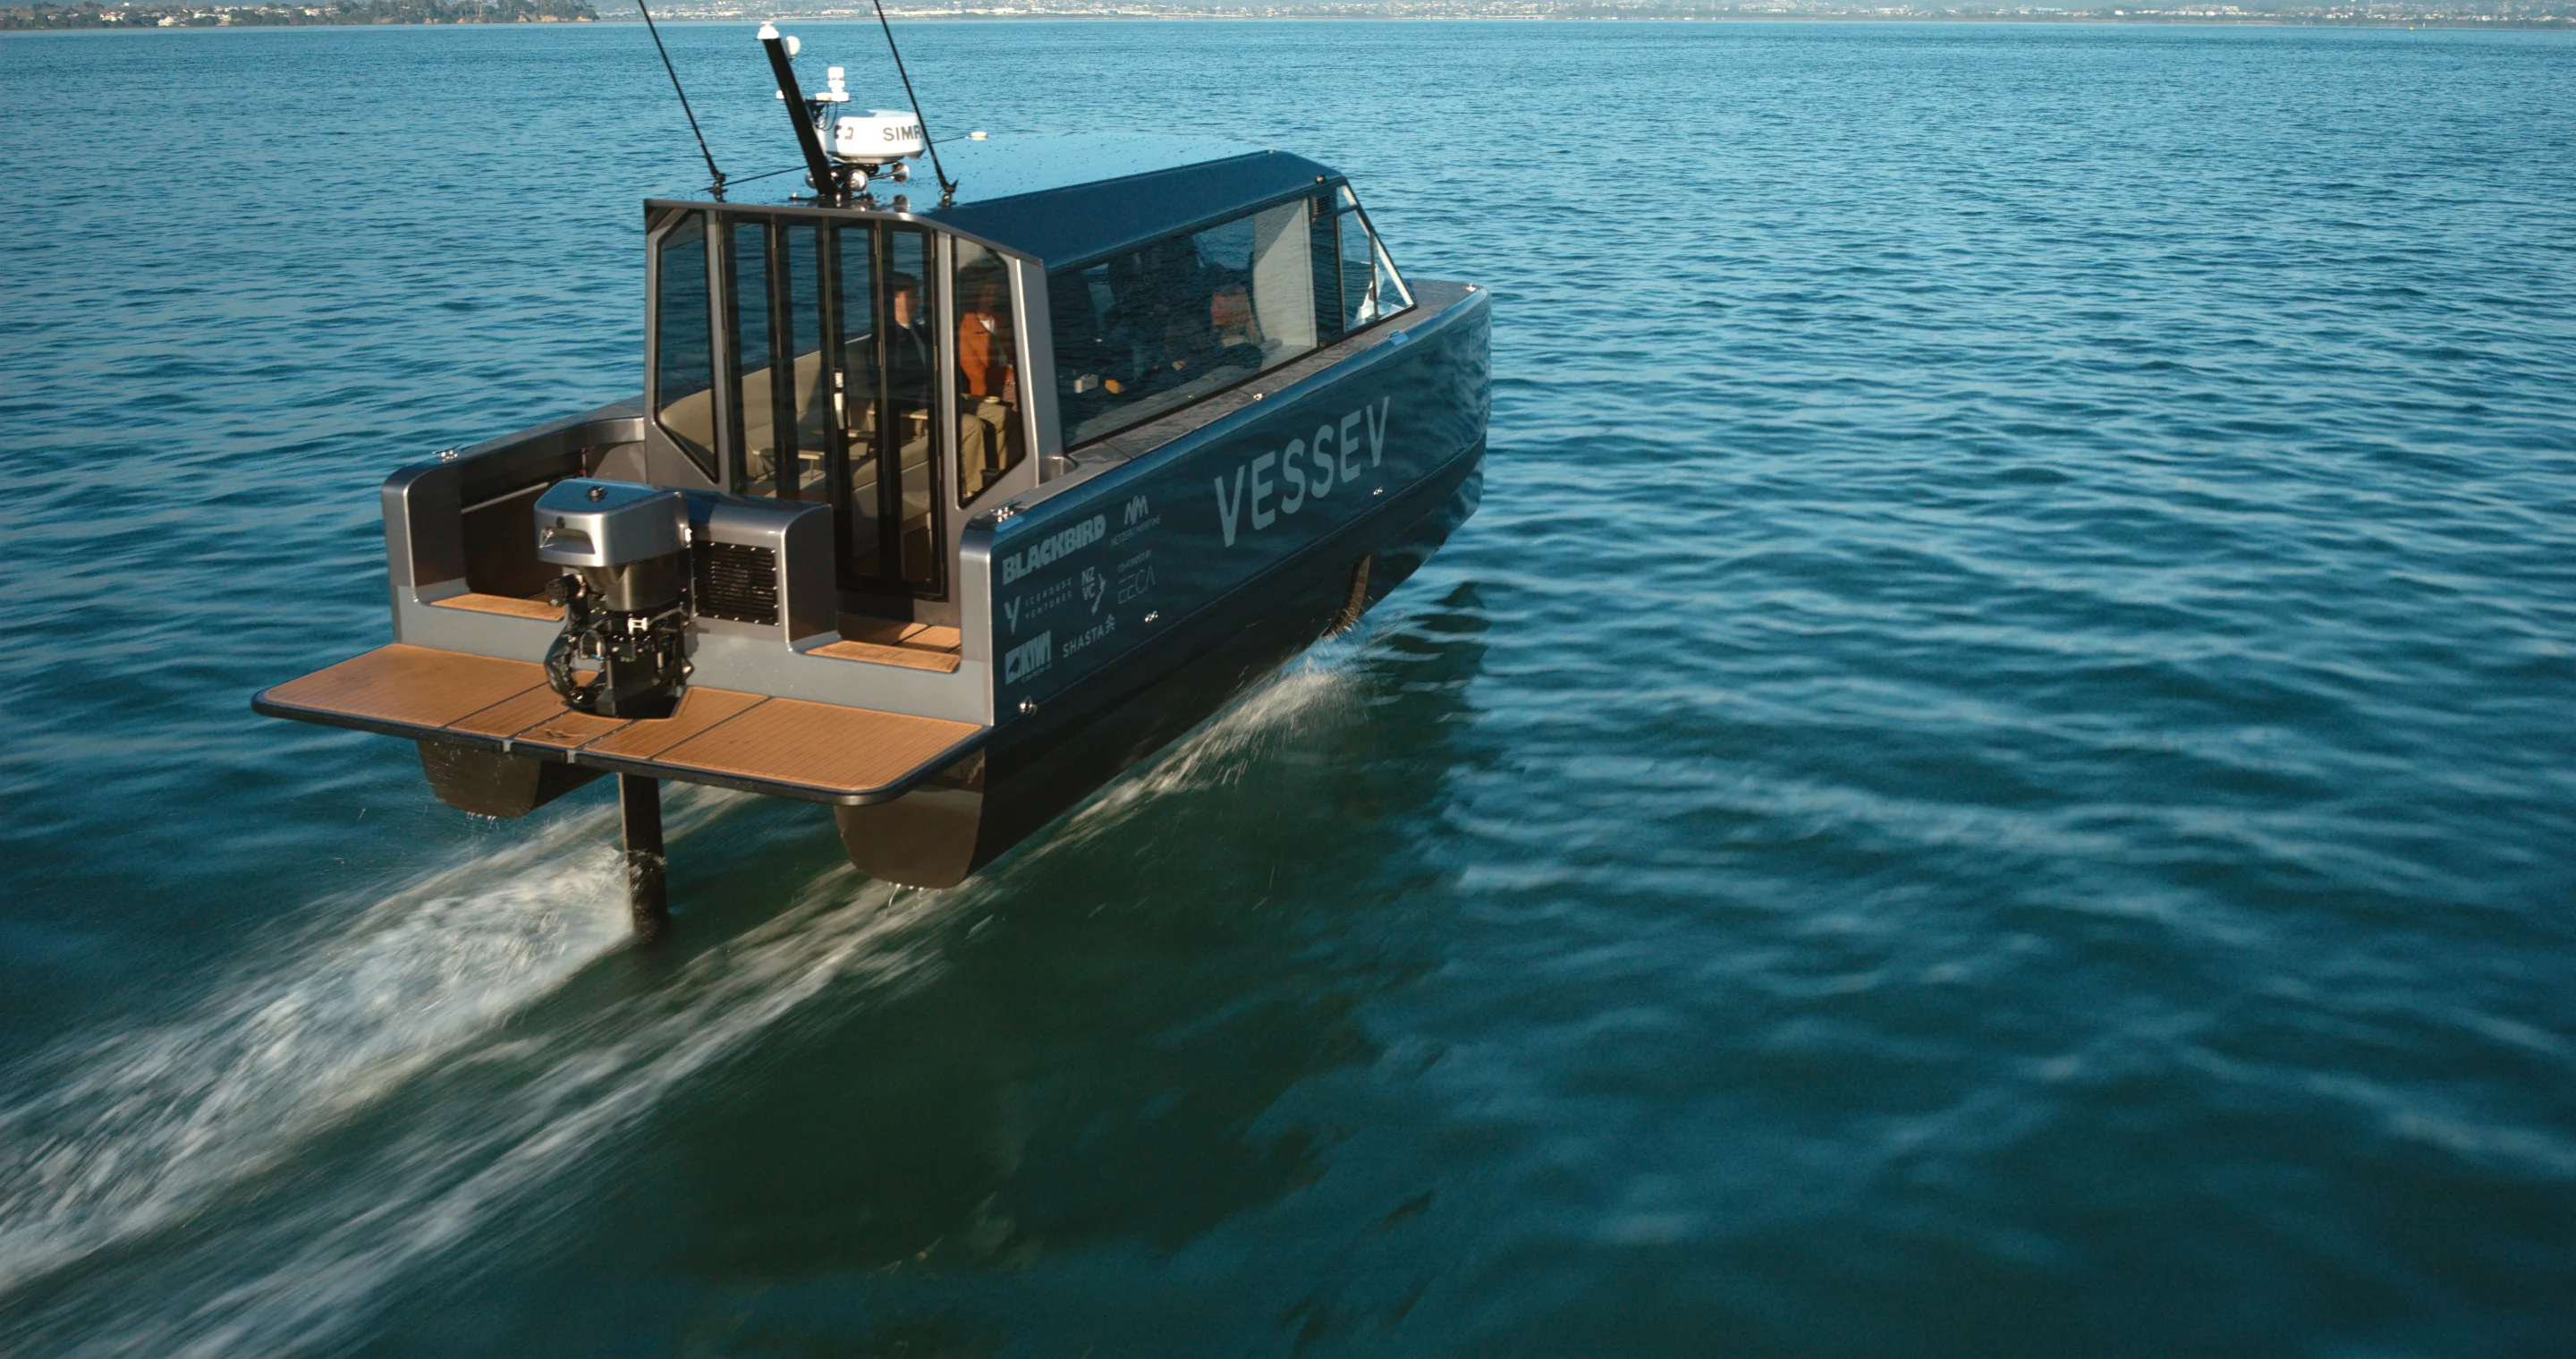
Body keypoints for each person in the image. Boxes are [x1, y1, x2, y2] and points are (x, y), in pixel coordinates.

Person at [954, 268, 1019, 499]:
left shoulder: (1001, 320)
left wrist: (1014, 370)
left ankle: (1011, 468)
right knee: (1021, 404)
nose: (993, 298)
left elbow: (1015, 353)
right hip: (986, 390)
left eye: (994, 293)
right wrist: (1009, 373)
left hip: (1009, 380)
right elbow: (977, 375)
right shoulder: (964, 330)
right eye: (988, 294)